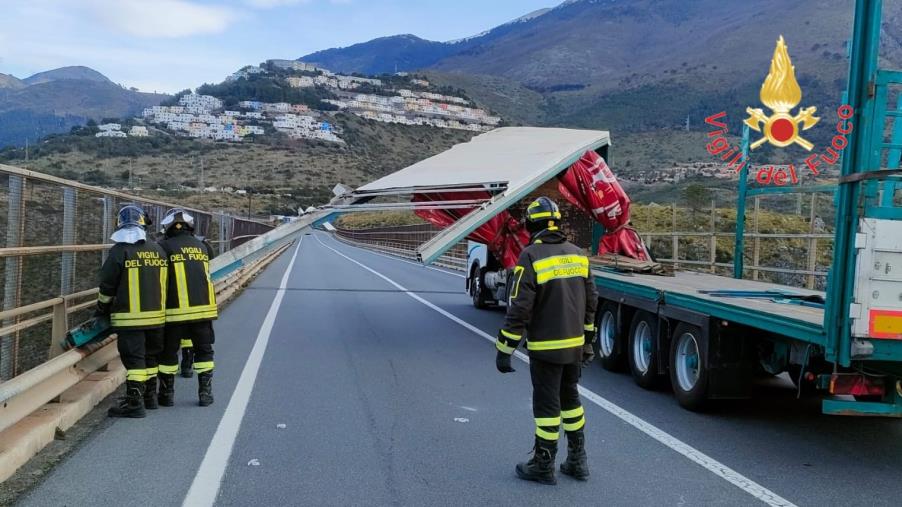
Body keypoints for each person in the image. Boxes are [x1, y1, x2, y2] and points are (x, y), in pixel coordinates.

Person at [495, 196, 598, 485]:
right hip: (574, 347)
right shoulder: (578, 255)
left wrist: (505, 349)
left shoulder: (530, 256)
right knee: (571, 400)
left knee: (546, 406)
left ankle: (543, 463)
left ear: (531, 225)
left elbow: (519, 308)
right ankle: (578, 459)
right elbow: (591, 302)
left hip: (545, 349)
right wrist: (588, 342)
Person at [96, 205, 168, 418]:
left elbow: (107, 286)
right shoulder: (158, 249)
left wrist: (102, 308)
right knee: (152, 357)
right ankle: (150, 398)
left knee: (135, 361)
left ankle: (135, 404)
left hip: (130, 319)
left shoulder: (119, 251)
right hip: (157, 317)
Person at [157, 208, 218, 407]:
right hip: (203, 311)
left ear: (167, 228)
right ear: (190, 227)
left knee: (168, 353)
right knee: (205, 352)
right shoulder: (203, 247)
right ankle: (205, 393)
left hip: (174, 314)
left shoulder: (162, 247)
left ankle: (166, 395)